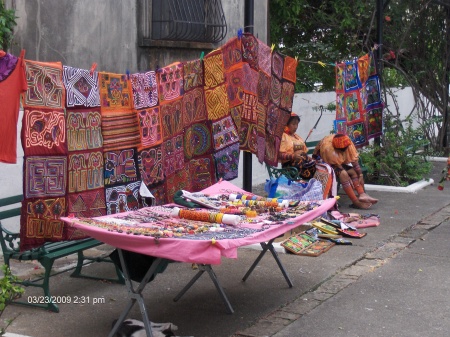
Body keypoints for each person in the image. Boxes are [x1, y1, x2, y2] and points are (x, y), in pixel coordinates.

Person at [313, 133, 378, 209]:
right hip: (323, 163)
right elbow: (338, 166)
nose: (343, 153)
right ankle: (355, 201)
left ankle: (362, 194)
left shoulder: (348, 143)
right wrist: (347, 177)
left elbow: (354, 160)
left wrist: (360, 175)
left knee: (353, 172)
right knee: (343, 174)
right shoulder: (328, 148)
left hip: (337, 162)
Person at [278, 113, 316, 180]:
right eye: (293, 124)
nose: (295, 127)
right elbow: (280, 155)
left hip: (302, 164)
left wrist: (312, 160)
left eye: (297, 124)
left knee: (318, 165)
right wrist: (293, 156)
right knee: (301, 161)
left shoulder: (297, 137)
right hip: (290, 167)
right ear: (287, 124)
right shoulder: (283, 137)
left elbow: (304, 153)